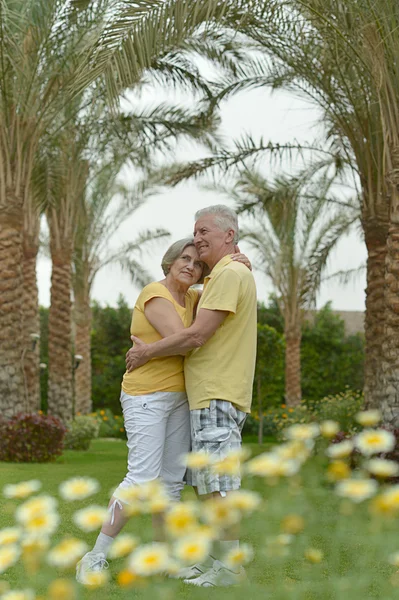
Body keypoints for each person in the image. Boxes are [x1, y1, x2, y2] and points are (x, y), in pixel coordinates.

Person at [76, 236, 250, 583]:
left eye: (197, 263)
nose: (191, 266)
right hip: (147, 397)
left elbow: (217, 299)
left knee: (170, 483)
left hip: (180, 397)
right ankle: (94, 557)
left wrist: (238, 262)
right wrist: (157, 349)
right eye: (184, 259)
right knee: (141, 479)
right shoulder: (155, 295)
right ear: (169, 262)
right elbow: (186, 341)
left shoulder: (194, 297)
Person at [125, 205, 257, 587]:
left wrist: (146, 352)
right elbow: (194, 295)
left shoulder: (230, 274)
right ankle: (220, 561)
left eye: (204, 232)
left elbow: (197, 335)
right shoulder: (226, 273)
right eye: (194, 232)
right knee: (209, 482)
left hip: (217, 392)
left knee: (218, 484)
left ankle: (231, 568)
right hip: (208, 394)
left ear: (228, 235)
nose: (197, 239)